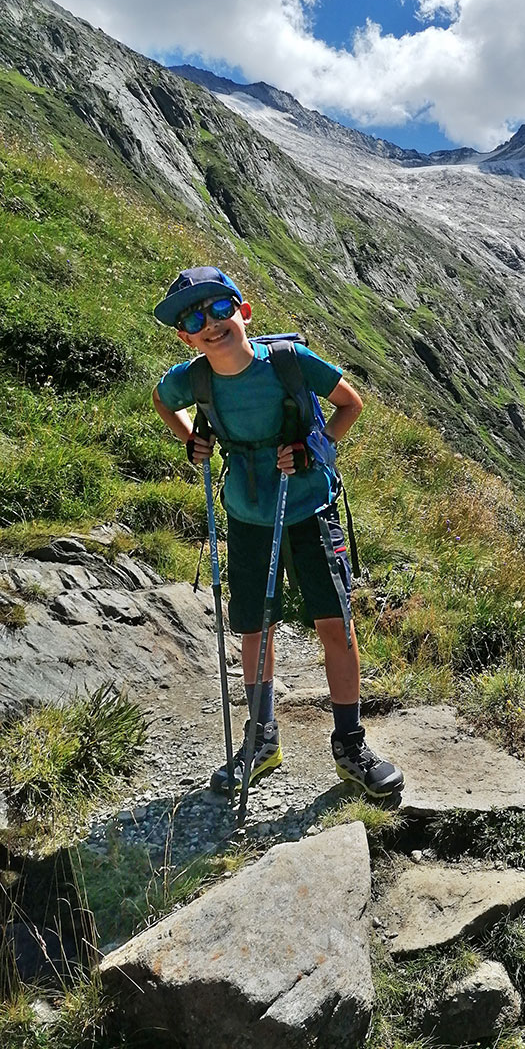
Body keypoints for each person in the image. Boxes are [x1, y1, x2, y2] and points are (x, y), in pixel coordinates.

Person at [151, 265, 403, 799]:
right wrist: (192, 439)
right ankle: (262, 738)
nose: (210, 323)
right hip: (247, 513)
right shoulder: (191, 379)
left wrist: (314, 446)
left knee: (334, 625)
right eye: (195, 318)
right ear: (184, 336)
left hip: (309, 505)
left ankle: (350, 742)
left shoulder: (288, 362)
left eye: (220, 309)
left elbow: (349, 403)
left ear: (243, 312)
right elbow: (162, 399)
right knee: (253, 630)